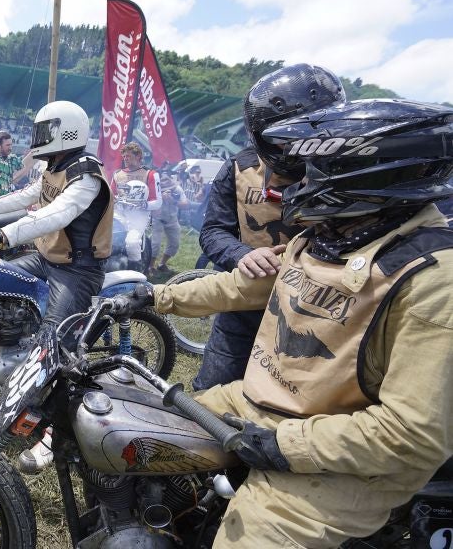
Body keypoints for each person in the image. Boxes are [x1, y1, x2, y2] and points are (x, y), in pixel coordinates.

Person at [148, 97, 453, 547]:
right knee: (138, 433)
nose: (284, 183)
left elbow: (413, 434)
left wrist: (284, 444)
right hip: (258, 405)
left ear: (358, 177)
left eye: (310, 171)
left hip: (339, 462)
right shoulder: (325, 237)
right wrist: (156, 295)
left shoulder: (432, 279)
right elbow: (238, 288)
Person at [0, 101, 114, 473]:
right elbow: (30, 196)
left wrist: (3, 234)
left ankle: (52, 436)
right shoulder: (54, 166)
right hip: (47, 257)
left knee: (55, 349)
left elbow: (56, 213)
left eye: (45, 131)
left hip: (77, 270)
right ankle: (11, 381)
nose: (38, 138)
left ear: (66, 131)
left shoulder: (87, 174)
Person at [193, 63, 344, 391]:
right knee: (209, 393)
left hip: (319, 312)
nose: (286, 146)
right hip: (247, 303)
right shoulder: (238, 168)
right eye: (276, 137)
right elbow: (213, 230)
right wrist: (241, 255)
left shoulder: (352, 172)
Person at [110, 142, 161, 272]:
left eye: (128, 156)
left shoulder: (150, 174)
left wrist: (144, 204)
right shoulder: (117, 174)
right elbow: (111, 195)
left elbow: (158, 202)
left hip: (138, 215)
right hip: (119, 213)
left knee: (132, 243)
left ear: (138, 156)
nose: (125, 159)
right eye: (124, 156)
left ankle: (136, 273)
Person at [148, 172, 188, 274]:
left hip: (172, 220)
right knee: (155, 245)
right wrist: (160, 197)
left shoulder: (177, 189)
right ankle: (150, 266)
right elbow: (150, 206)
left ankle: (162, 264)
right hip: (158, 220)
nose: (167, 190)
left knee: (175, 243)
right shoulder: (155, 191)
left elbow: (185, 204)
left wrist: (172, 200)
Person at [0, 130, 25, 195]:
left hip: (6, 199)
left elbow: (23, 167)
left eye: (11, 144)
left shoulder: (13, 158)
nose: (10, 148)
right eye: (7, 145)